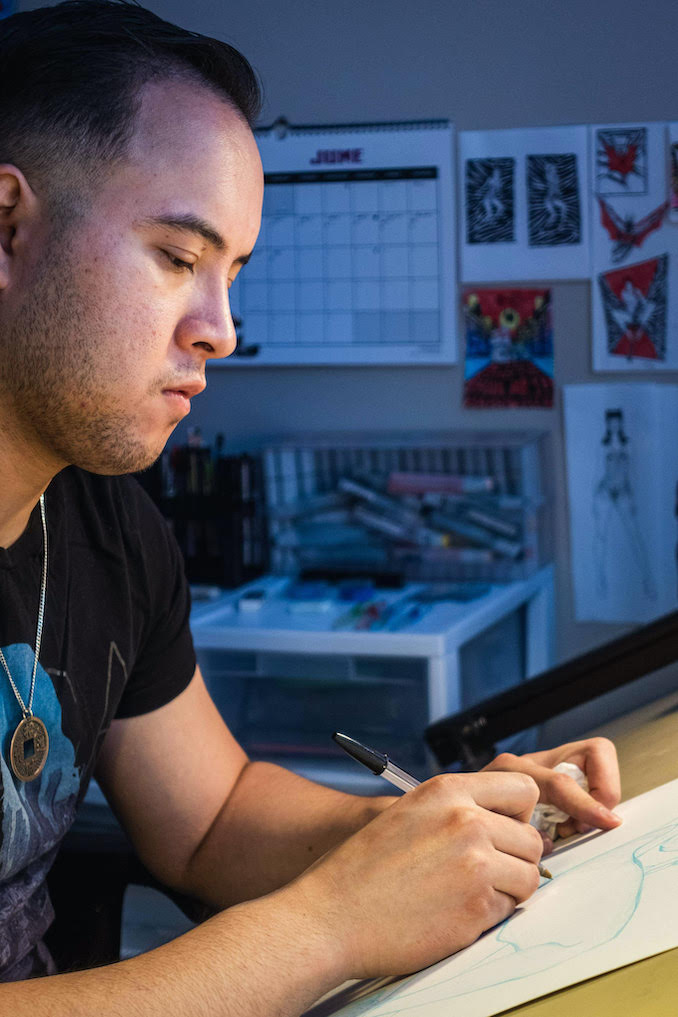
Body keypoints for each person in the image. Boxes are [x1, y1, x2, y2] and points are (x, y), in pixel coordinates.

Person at [0, 1, 622, 1013]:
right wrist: (330, 922)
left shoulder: (107, 527)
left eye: (233, 273)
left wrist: (438, 828)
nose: (223, 332)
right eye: (177, 256)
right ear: (8, 227)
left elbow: (208, 818)